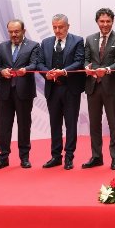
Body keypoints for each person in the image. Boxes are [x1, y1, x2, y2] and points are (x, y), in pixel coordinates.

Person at [38, 14, 85, 170]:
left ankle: (69, 157)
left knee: (71, 124)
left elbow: (79, 61)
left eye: (61, 27)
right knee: (55, 124)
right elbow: (40, 63)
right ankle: (56, 156)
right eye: (55, 27)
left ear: (68, 26)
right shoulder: (45, 42)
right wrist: (46, 73)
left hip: (71, 89)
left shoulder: (77, 41)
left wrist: (63, 72)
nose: (57, 30)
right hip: (52, 89)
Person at [0, 19, 40, 169]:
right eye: (11, 32)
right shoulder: (2, 47)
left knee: (24, 125)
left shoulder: (33, 45)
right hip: (5, 92)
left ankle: (24, 157)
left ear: (23, 31)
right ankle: (3, 157)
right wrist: (2, 71)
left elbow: (35, 64)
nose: (13, 34)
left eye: (16, 31)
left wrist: (26, 69)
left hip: (24, 91)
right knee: (4, 125)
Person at [83, 8, 115, 171]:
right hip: (93, 86)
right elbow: (86, 59)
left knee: (114, 124)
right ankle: (96, 156)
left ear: (112, 21)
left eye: (108, 21)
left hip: (111, 87)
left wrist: (107, 69)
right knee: (94, 124)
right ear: (97, 22)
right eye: (102, 21)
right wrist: (86, 68)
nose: (105, 24)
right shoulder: (90, 39)